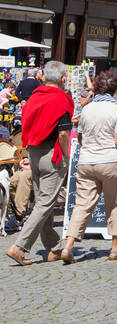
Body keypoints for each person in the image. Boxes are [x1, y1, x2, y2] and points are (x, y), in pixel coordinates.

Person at [6, 59, 73, 266]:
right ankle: (20, 246)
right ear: (63, 78)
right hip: (52, 154)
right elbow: (63, 133)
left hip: (33, 151)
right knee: (45, 202)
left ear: (43, 77)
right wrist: (66, 156)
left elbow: (25, 122)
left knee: (45, 202)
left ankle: (52, 248)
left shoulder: (35, 97)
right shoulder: (62, 99)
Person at [61, 71, 117, 263]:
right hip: (109, 160)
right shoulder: (116, 109)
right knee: (116, 204)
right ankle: (115, 248)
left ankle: (69, 245)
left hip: (86, 161)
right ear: (113, 89)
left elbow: (82, 137)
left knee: (82, 205)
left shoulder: (87, 109)